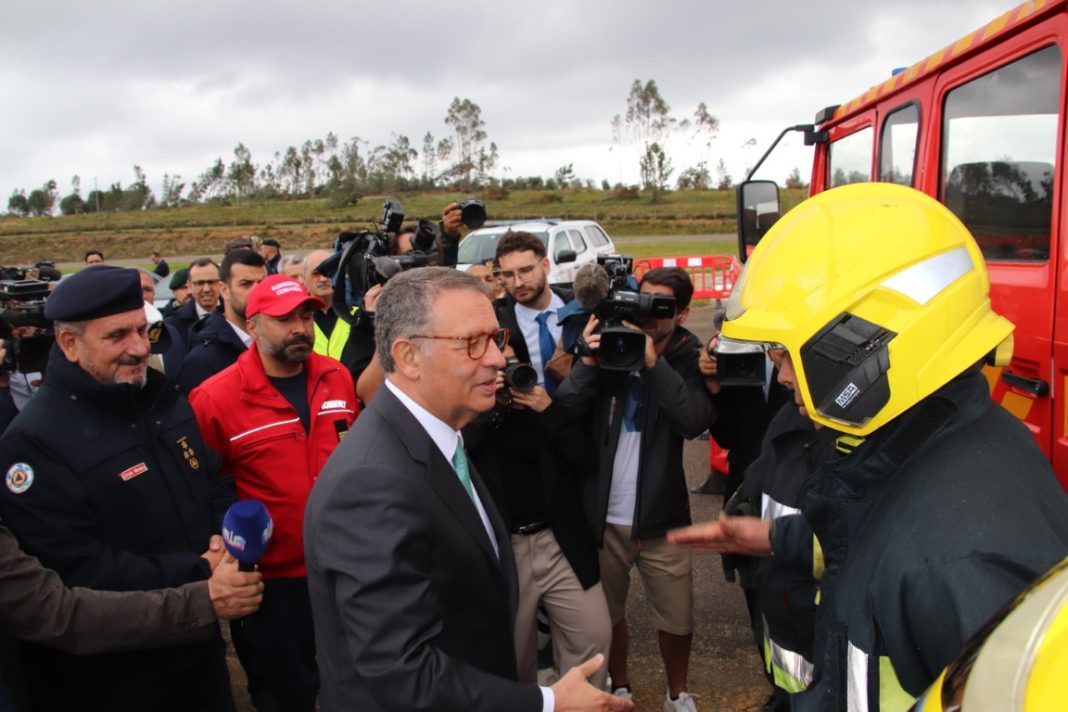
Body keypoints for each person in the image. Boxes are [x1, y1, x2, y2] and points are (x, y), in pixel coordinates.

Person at [669, 183, 1068, 710]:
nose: (782, 377)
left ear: (861, 348)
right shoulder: (920, 447)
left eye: (787, 354)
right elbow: (874, 539)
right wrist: (776, 538)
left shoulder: (962, 564)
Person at [304, 267, 631, 712]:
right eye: (472, 343)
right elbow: (401, 672)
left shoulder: (440, 436)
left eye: (495, 339)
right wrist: (547, 702)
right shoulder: (370, 484)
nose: (496, 359)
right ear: (408, 357)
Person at [0, 265, 237, 711]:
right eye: (117, 336)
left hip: (196, 649)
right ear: (70, 344)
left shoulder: (160, 396)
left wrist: (224, 535)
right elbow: (77, 569)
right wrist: (196, 571)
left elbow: (211, 476)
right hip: (111, 676)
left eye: (142, 331)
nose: (138, 348)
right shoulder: (34, 441)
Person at [190, 273, 357, 710]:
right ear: (252, 325)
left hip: (344, 569)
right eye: (284, 320)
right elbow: (204, 487)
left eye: (306, 317)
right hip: (272, 585)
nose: (300, 328)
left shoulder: (337, 377)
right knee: (286, 694)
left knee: (353, 683)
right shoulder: (215, 398)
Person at [554, 266, 714, 712]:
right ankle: (619, 683)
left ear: (683, 313)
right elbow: (564, 413)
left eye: (661, 307)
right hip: (604, 517)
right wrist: (588, 361)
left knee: (677, 617)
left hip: (662, 517)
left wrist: (653, 364)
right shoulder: (610, 343)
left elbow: (695, 420)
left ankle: (677, 693)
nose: (649, 315)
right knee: (609, 615)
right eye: (643, 301)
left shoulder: (689, 355)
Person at [0, 526, 262, 712]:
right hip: (109, 678)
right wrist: (203, 600)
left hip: (195, 660)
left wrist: (218, 535)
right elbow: (56, 614)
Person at [177, 249, 267, 392]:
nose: (257, 292)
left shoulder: (277, 341)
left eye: (262, 283)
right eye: (246, 284)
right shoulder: (201, 361)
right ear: (224, 290)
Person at [494, 231, 573, 393]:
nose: (518, 283)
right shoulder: (495, 320)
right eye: (508, 274)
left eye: (526, 270)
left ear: (545, 266)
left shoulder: (580, 307)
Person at [164, 257, 221, 372]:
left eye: (211, 282)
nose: (206, 289)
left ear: (221, 284)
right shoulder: (173, 325)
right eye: (200, 283)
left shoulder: (237, 317)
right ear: (190, 287)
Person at [304, 249, 351, 362]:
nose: (323, 279)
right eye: (316, 273)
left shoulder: (356, 313)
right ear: (304, 279)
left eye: (329, 272)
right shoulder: (295, 317)